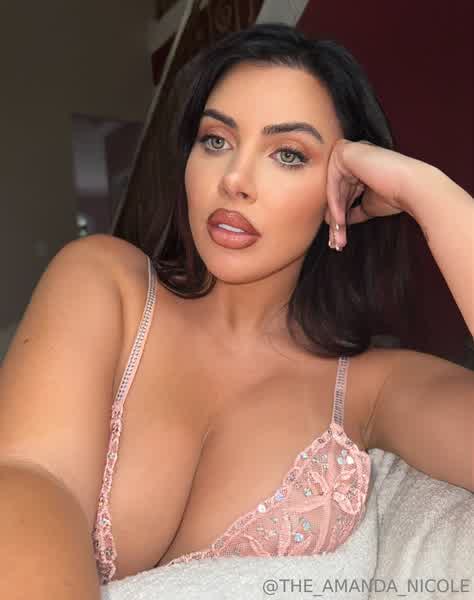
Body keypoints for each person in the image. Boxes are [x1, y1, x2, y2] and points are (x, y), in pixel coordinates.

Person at [0, 23, 472, 598]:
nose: (235, 180)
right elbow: (31, 481)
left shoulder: (374, 388)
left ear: (347, 188)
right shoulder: (106, 284)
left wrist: (428, 193)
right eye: (216, 140)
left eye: (288, 154)